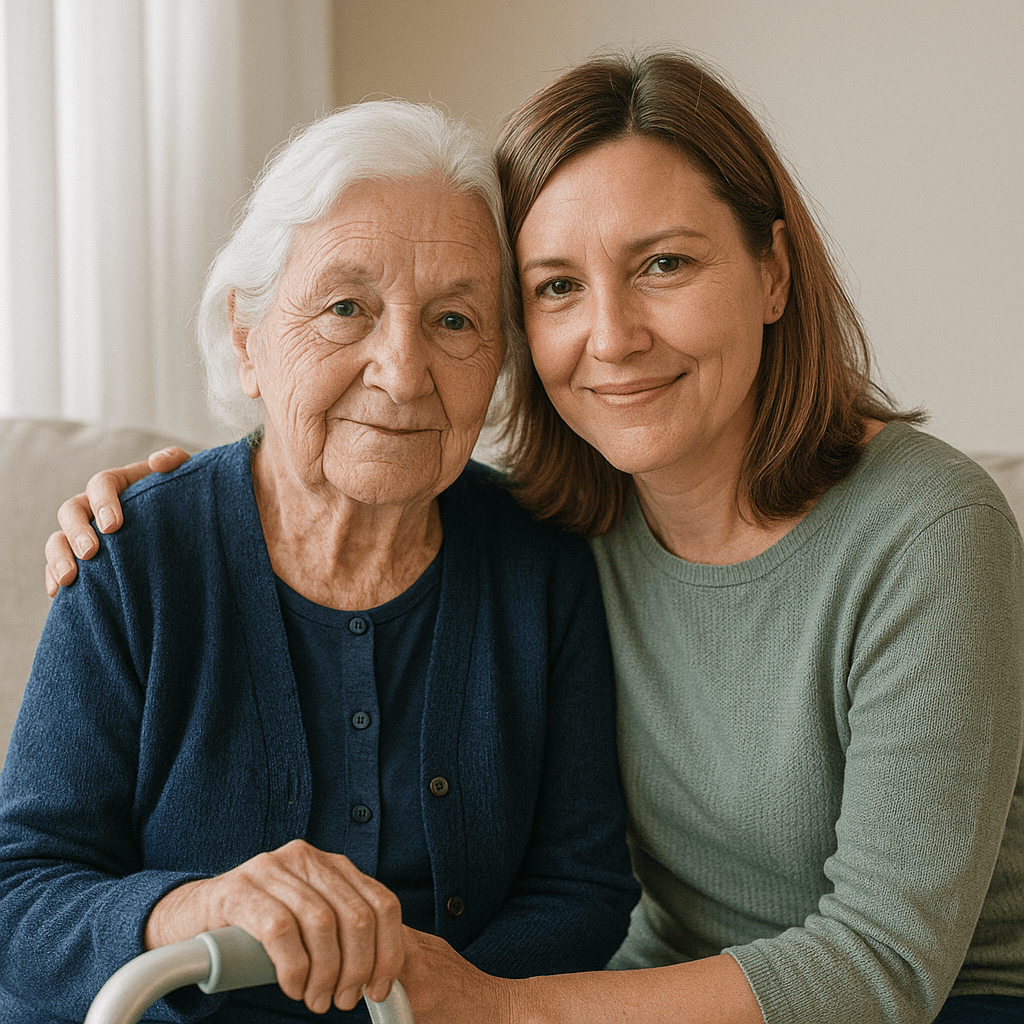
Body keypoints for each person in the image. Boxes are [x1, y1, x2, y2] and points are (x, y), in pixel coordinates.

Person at [43, 52, 1023, 1024]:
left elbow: (878, 963)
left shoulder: (920, 529)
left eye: (664, 264)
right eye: (557, 286)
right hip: (631, 992)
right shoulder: (577, 515)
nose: (612, 336)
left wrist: (493, 1007)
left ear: (772, 271)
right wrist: (160, 513)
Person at [0, 99, 641, 1024]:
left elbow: (580, 888)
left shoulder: (542, 565)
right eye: (347, 308)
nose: (402, 368)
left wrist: (444, 1001)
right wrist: (192, 909)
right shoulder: (135, 556)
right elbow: (19, 898)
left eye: (456, 320)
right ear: (249, 337)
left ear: (501, 358)